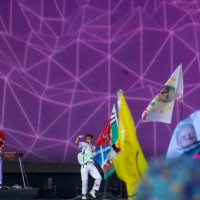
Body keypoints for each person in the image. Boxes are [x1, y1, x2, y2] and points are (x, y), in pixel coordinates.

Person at [75, 134, 102, 199]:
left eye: (89, 138)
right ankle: (84, 194)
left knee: (99, 177)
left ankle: (93, 190)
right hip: (85, 165)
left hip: (91, 165)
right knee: (85, 180)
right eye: (87, 138)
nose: (88, 139)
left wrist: (90, 144)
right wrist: (78, 137)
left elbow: (94, 151)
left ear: (91, 139)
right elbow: (76, 143)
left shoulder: (93, 147)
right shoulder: (84, 144)